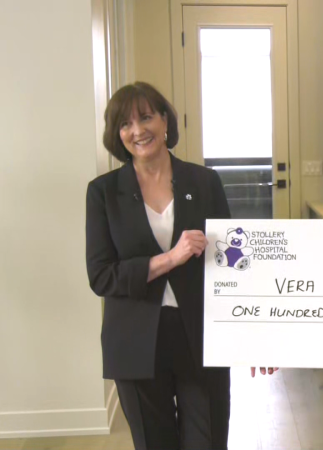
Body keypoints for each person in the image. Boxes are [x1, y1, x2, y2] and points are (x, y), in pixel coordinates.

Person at [85, 82, 231, 449]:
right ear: (117, 135)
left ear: (165, 120)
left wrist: (253, 337)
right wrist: (170, 258)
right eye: (126, 124)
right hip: (135, 343)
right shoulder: (102, 193)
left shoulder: (205, 181)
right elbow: (101, 275)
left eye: (146, 117)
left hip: (202, 336)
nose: (137, 131)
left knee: (208, 442)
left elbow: (232, 265)